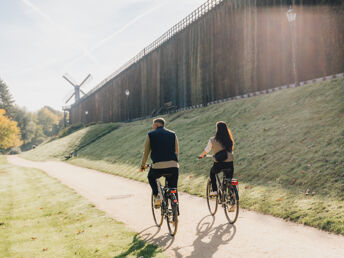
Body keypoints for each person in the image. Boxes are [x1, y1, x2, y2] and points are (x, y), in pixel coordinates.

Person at [140, 117, 179, 207]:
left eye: (153, 125)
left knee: (151, 177)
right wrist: (175, 163)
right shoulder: (173, 134)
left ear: (156, 125)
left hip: (158, 167)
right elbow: (176, 151)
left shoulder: (151, 134)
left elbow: (146, 152)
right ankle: (175, 212)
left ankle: (157, 196)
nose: (153, 126)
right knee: (173, 188)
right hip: (173, 166)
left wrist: (142, 165)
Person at [198, 121, 234, 197]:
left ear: (217, 129)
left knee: (212, 173)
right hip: (230, 163)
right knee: (229, 180)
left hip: (219, 163)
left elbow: (207, 150)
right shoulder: (229, 139)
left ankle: (214, 190)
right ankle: (232, 199)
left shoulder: (212, 140)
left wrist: (201, 155)